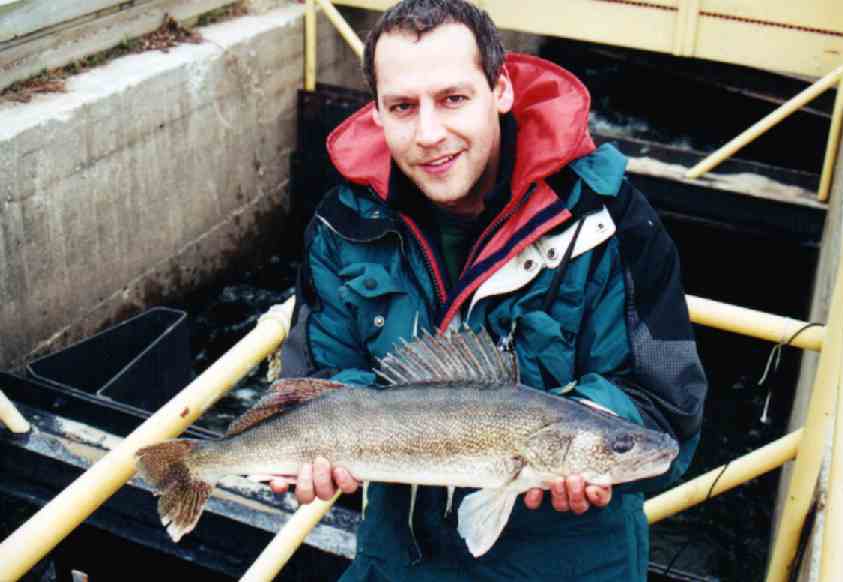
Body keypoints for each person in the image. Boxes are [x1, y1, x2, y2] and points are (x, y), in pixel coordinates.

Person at [271, 0, 707, 579]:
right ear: (375, 112)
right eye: (403, 106)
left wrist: (585, 443)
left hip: (572, 565)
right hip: (400, 561)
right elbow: (317, 376)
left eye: (453, 99)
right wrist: (315, 448)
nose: (429, 133)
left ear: (500, 89)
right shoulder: (342, 224)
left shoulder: (613, 220)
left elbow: (668, 410)